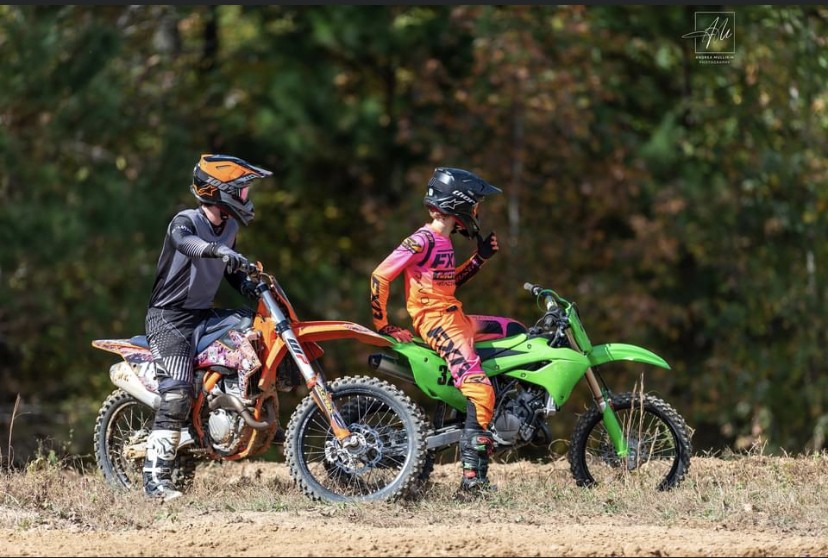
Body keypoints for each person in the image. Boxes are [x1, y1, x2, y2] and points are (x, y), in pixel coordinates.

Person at [369, 167, 526, 496]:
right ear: (460, 204)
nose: (477, 212)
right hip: (438, 323)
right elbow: (380, 276)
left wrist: (479, 259)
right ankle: (472, 480)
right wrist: (383, 324)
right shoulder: (422, 240)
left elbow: (447, 282)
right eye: (476, 205)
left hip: (456, 316)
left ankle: (497, 410)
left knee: (516, 332)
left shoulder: (442, 241)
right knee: (480, 391)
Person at [142, 153, 272, 501]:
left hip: (202, 315)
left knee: (253, 327)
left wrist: (249, 285)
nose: (246, 198)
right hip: (169, 319)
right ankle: (155, 481)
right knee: (176, 394)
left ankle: (238, 406)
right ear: (218, 191)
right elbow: (188, 245)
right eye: (241, 191)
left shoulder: (229, 229)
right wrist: (218, 251)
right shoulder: (184, 221)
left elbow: (230, 273)